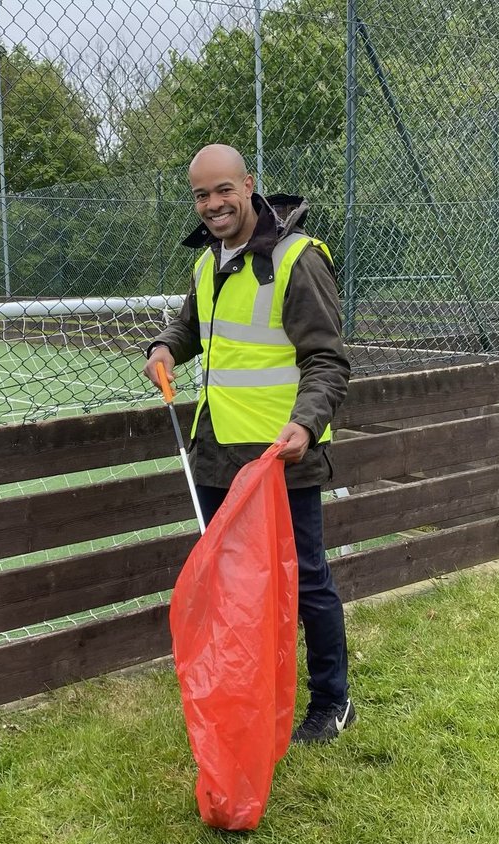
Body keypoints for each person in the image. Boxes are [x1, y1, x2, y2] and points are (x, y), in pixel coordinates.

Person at [143, 143, 355, 743]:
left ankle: (332, 702)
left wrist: (306, 425)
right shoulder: (208, 263)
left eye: (222, 191)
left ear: (249, 186)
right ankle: (251, 691)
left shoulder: (298, 261)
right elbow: (191, 327)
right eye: (201, 195)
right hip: (215, 453)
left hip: (281, 458)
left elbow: (329, 361)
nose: (212, 205)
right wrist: (164, 347)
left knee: (304, 579)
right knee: (232, 585)